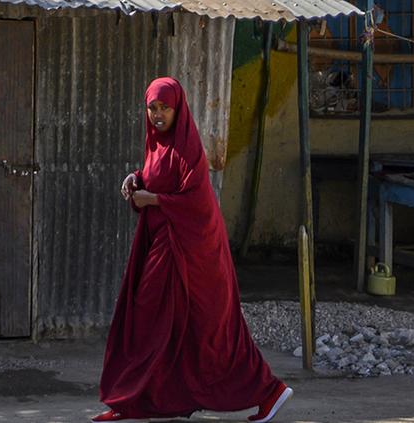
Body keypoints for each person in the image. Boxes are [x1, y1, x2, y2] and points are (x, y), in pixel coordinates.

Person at [95, 77, 292, 423]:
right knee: (152, 326)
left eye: (165, 108)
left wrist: (152, 199)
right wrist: (136, 179)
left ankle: (268, 390)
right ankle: (131, 401)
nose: (158, 115)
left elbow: (198, 203)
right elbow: (160, 177)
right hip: (164, 249)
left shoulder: (188, 147)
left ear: (178, 109)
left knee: (208, 335)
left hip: (191, 255)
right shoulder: (157, 145)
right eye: (152, 108)